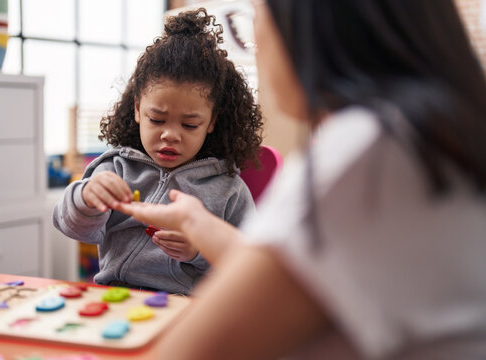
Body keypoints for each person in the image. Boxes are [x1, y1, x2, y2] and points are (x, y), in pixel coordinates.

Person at [118, 0, 486, 358]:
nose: (257, 43)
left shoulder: (365, 149)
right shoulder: (431, 134)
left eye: (254, 20)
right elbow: (289, 271)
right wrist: (193, 220)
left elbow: (193, 350)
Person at [53, 8, 263, 295]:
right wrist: (86, 197)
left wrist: (199, 250)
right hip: (116, 295)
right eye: (157, 120)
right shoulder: (116, 169)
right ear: (138, 108)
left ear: (212, 121)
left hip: (187, 308)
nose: (170, 135)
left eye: (190, 124)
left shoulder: (228, 189)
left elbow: (247, 266)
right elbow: (76, 229)